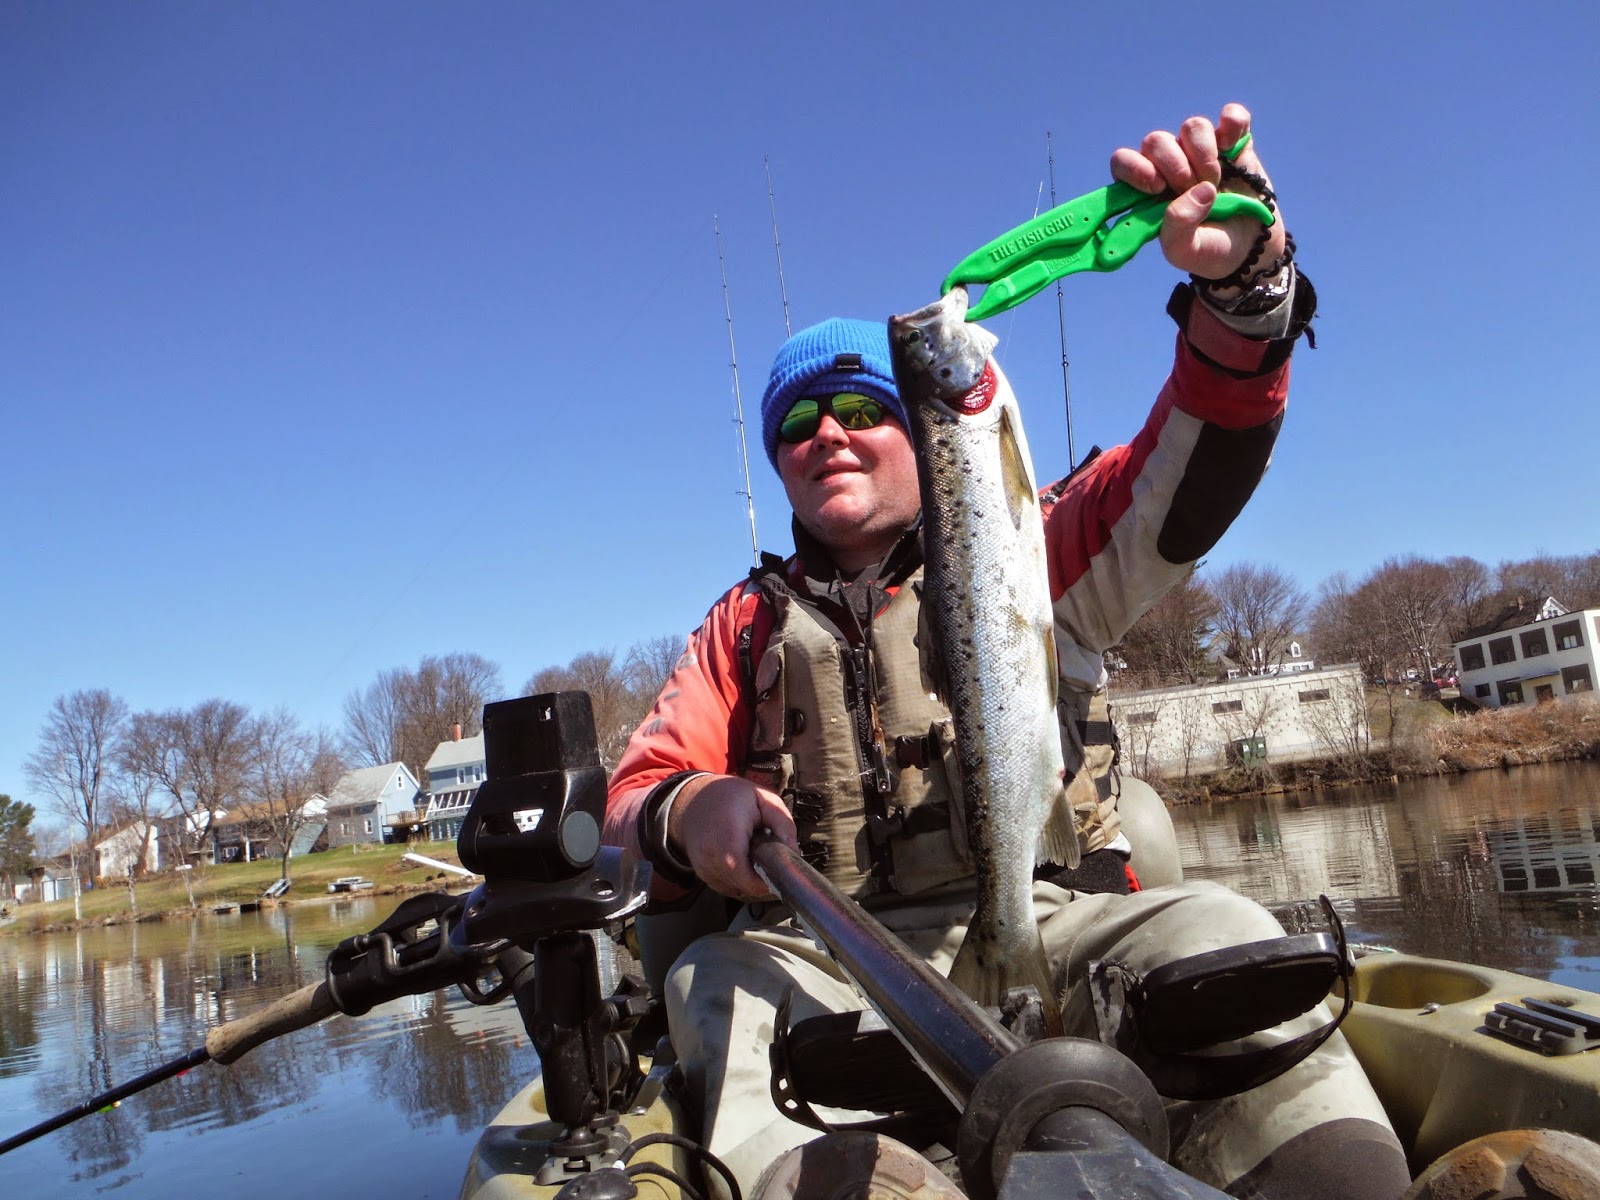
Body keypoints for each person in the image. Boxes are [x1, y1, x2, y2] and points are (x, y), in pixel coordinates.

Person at [604, 105, 1412, 1200]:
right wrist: (687, 809)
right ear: (778, 465)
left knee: (1226, 921)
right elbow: (638, 789)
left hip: (1056, 914)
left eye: (857, 406)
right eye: (797, 424)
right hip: (832, 957)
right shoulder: (738, 630)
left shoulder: (1037, 545)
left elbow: (1193, 463)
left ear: (917, 426)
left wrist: (1245, 296)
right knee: (711, 979)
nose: (827, 433)